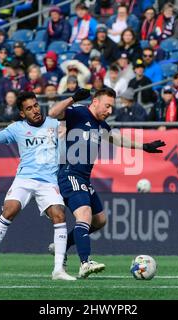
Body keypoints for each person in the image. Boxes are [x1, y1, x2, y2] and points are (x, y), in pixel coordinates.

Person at [48, 88, 165, 278]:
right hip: (69, 173)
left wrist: (143, 146)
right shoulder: (78, 112)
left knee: (100, 220)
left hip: (84, 178)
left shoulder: (100, 124)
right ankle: (85, 262)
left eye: (112, 106)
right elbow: (53, 113)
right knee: (84, 214)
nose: (110, 111)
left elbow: (115, 138)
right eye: (107, 106)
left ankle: (62, 245)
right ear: (95, 102)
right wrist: (72, 98)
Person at [0, 91, 76, 281]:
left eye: (36, 105)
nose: (35, 110)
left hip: (48, 181)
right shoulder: (16, 128)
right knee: (9, 210)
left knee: (59, 214)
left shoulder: (54, 124)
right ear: (22, 113)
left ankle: (58, 270)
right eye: (29, 108)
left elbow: (65, 144)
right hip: (24, 179)